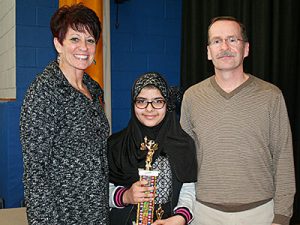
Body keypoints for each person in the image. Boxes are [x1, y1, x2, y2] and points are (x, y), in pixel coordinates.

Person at [180, 16, 296, 225]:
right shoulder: (191, 97)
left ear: (246, 49)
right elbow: (183, 161)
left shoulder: (271, 96)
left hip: (261, 213)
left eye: (232, 39)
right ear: (208, 52)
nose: (224, 46)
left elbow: (283, 158)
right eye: (216, 41)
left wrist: (281, 216)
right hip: (204, 213)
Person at [19, 4, 110, 224]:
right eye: (74, 39)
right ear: (58, 44)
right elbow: (35, 172)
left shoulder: (93, 89)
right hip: (63, 216)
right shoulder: (44, 91)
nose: (84, 47)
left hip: (96, 212)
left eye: (90, 40)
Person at [108, 72, 198, 225]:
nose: (149, 109)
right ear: (133, 104)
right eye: (141, 101)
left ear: (167, 104)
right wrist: (126, 196)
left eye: (157, 101)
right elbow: (98, 191)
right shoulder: (116, 144)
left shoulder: (183, 143)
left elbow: (189, 188)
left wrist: (181, 218)